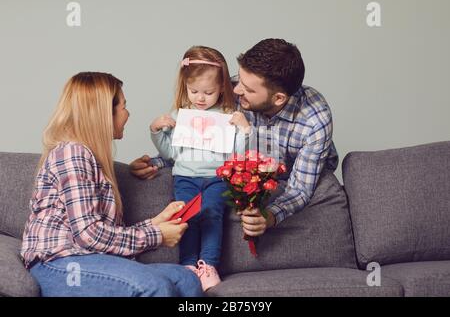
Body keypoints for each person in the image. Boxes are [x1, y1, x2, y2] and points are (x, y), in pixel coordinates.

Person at [130, 38, 338, 252]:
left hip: (293, 175)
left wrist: (270, 216)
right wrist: (156, 162)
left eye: (247, 88)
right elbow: (201, 138)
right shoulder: (227, 90)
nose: (236, 90)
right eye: (239, 80)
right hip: (240, 169)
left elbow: (301, 188)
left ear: (278, 98)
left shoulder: (314, 119)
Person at [20, 72, 203, 297]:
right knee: (153, 286)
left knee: (187, 279)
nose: (128, 113)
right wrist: (158, 235)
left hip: (92, 258)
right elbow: (89, 235)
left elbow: (104, 235)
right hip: (61, 265)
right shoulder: (72, 153)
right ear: (104, 113)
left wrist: (155, 223)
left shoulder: (93, 159)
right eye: (124, 106)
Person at [148, 46, 249, 291]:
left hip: (217, 178)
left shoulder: (227, 115)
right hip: (185, 177)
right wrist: (156, 130)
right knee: (187, 218)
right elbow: (170, 153)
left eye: (208, 92)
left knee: (213, 214)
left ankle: (208, 265)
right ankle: (188, 266)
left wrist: (244, 130)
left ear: (222, 88)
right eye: (193, 91)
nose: (200, 98)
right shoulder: (179, 115)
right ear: (185, 87)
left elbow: (237, 155)